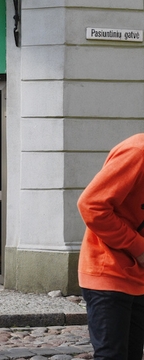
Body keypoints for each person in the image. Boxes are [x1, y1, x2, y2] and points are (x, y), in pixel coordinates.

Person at [77, 133, 144, 360]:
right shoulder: (138, 151)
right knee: (112, 356)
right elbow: (91, 206)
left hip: (138, 277)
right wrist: (139, 248)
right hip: (108, 272)